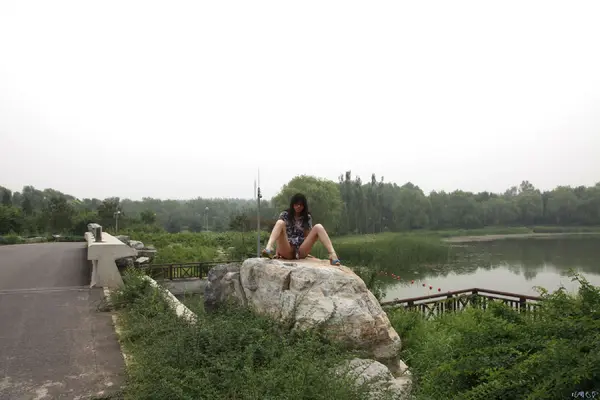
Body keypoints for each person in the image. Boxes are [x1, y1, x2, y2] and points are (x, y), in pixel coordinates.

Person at [261, 193, 341, 265]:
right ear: (292, 204)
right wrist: (278, 250)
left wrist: (307, 250)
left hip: (300, 251)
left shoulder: (307, 217)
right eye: (296, 204)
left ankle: (332, 254)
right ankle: (268, 248)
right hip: (287, 249)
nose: (298, 206)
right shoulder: (285, 215)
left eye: (301, 204)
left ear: (304, 206)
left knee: (318, 226)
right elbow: (279, 233)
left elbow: (307, 237)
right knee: (279, 222)